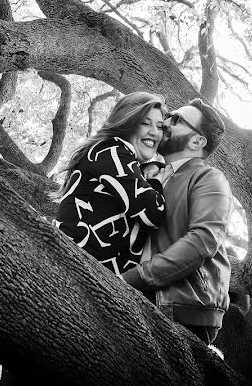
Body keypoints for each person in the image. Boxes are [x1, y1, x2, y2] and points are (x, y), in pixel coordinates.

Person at [121, 98, 233, 345]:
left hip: (181, 307)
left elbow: (204, 240)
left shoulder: (209, 178)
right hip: (135, 293)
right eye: (169, 115)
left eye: (176, 119)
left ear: (197, 141)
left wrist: (133, 278)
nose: (165, 121)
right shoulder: (149, 176)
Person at [53, 92, 167, 277]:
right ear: (126, 122)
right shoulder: (112, 150)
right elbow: (153, 212)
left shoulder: (118, 157)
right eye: (145, 123)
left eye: (160, 126)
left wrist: (153, 167)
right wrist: (155, 181)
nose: (154, 132)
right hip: (73, 268)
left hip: (96, 275)